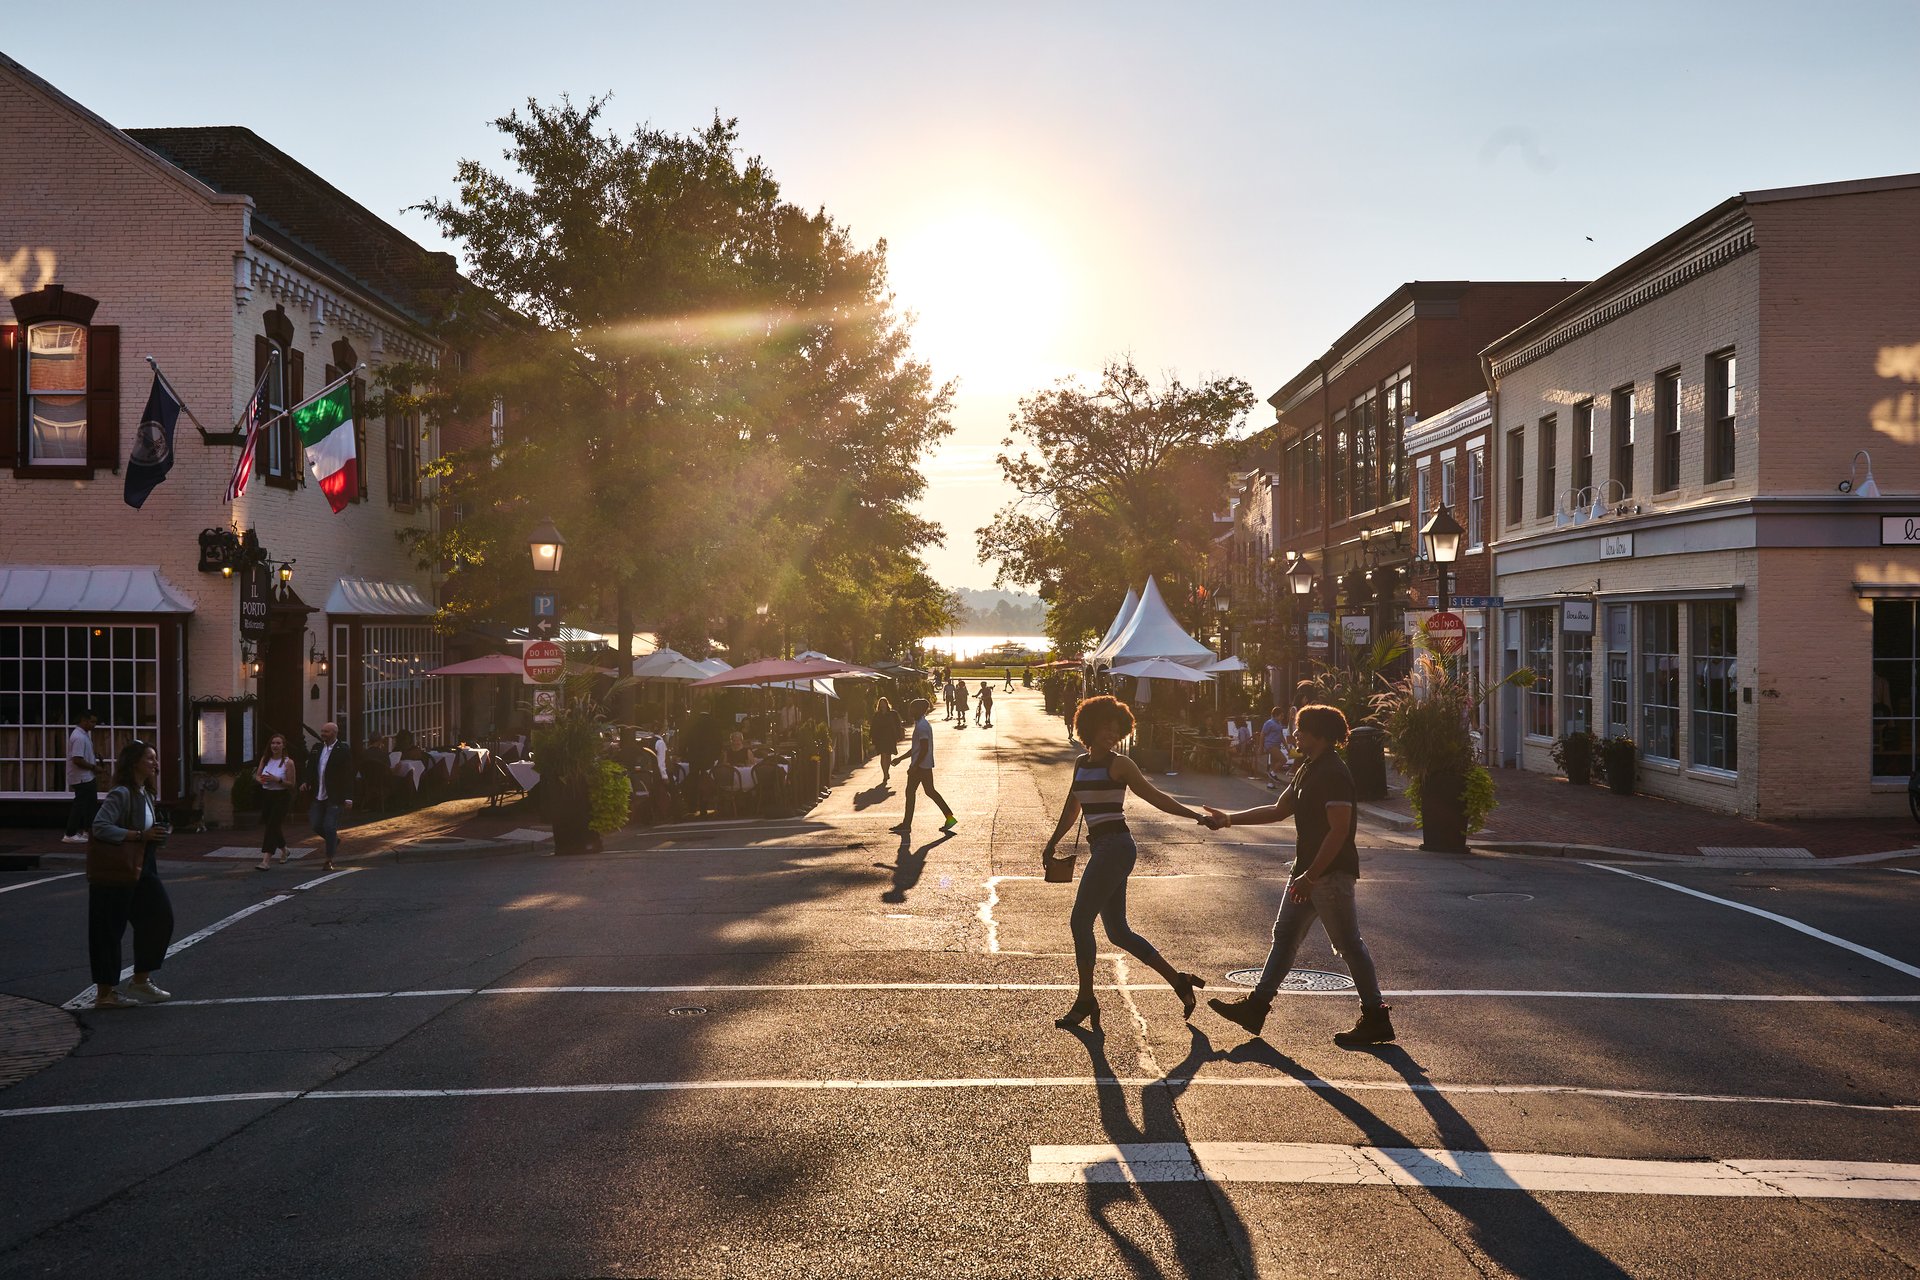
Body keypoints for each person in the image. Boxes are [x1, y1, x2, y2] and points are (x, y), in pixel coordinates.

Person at [1202, 704, 1395, 1047]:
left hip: (1329, 875)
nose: (1294, 735)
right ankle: (1257, 1007)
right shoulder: (1309, 767)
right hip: (1307, 872)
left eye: (1300, 730)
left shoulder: (1334, 772)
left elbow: (1339, 831)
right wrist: (1229, 819)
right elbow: (1278, 810)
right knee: (1286, 935)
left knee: (1349, 945)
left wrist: (1311, 876)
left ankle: (1376, 1017)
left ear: (1319, 735)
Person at [1043, 695, 1208, 1032]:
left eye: (1116, 728)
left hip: (1116, 848)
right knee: (1118, 932)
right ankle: (1179, 981)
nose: (1111, 733)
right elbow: (1072, 808)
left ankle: (1086, 998)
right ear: (1088, 726)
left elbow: (1156, 797)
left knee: (1079, 921)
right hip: (1103, 847)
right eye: (1105, 726)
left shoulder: (1120, 765)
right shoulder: (1082, 763)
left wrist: (1196, 816)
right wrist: (1051, 842)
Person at [87, 740, 175, 1009]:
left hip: (143, 864)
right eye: (150, 759)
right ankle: (105, 994)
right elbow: (100, 826)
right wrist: (139, 835)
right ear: (134, 762)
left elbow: (145, 830)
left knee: (159, 918)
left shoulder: (144, 792)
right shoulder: (121, 793)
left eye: (156, 759)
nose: (155, 764)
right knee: (108, 930)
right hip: (117, 867)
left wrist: (156, 836)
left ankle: (140, 980)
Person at [889, 698, 956, 836]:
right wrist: (900, 759)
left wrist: (915, 765)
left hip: (920, 767)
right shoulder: (921, 724)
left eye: (912, 708)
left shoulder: (922, 727)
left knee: (910, 792)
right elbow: (916, 749)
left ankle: (906, 824)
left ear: (918, 710)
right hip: (924, 766)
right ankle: (949, 817)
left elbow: (924, 748)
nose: (909, 711)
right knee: (930, 791)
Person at [301, 721, 356, 873]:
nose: (323, 734)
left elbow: (348, 775)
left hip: (335, 795)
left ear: (334, 733)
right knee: (315, 824)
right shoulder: (317, 748)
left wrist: (348, 797)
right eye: (322, 731)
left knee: (329, 826)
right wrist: (306, 782)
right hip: (318, 794)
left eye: (326, 732)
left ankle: (329, 859)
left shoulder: (343, 750)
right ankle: (333, 840)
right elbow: (311, 768)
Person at [253, 733, 298, 870]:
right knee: (272, 825)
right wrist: (259, 779)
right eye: (273, 743)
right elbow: (257, 775)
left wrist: (277, 780)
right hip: (267, 795)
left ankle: (266, 860)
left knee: (272, 826)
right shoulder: (265, 759)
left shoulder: (288, 762)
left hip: (282, 797)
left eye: (278, 743)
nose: (275, 746)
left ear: (283, 746)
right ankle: (285, 850)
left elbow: (292, 784)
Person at [62, 708, 104, 844]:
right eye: (92, 722)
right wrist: (94, 767)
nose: (94, 725)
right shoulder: (79, 737)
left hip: (86, 776)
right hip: (81, 777)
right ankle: (70, 833)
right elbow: (77, 759)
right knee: (80, 805)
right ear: (84, 721)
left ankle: (88, 831)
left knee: (90, 805)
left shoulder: (83, 735)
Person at [869, 697, 903, 787]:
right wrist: (872, 738)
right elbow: (873, 727)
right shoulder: (877, 715)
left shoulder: (893, 714)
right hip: (880, 738)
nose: (882, 705)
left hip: (890, 737)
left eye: (884, 703)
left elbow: (898, 724)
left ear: (887, 704)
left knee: (888, 755)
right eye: (881, 703)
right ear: (879, 705)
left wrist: (899, 735)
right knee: (883, 755)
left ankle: (887, 771)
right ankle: (884, 774)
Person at [1260, 706, 1290, 789]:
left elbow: (1281, 736)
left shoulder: (1279, 724)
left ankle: (1270, 783)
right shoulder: (1269, 723)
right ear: (1276, 715)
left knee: (1274, 763)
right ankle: (1272, 773)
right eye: (1281, 715)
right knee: (1283, 759)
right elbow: (1262, 734)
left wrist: (1287, 747)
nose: (1282, 717)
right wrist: (1261, 747)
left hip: (1277, 745)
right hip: (1270, 745)